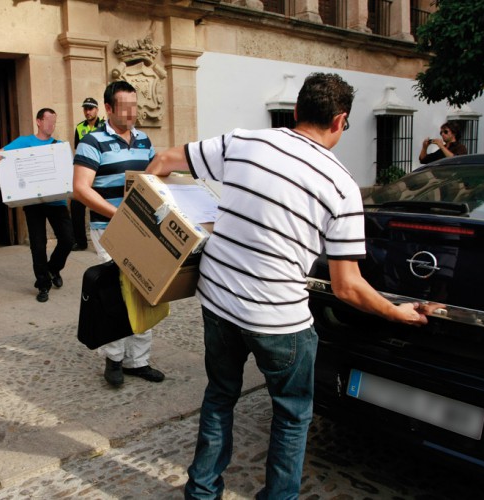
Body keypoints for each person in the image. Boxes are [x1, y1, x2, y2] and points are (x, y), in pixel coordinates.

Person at [146, 73, 432, 499]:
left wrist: (147, 227)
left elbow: (166, 161)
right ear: (339, 120)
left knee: (220, 395)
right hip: (278, 320)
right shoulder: (342, 187)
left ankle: (202, 493)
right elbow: (347, 287)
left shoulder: (245, 142)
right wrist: (396, 311)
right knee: (293, 414)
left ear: (296, 112)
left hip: (219, 303)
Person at [73, 80, 165, 387]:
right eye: (124, 107)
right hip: (109, 228)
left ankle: (138, 361)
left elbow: (153, 182)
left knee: (145, 289)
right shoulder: (92, 142)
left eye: (135, 106)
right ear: (109, 108)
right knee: (117, 291)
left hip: (143, 230)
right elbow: (81, 189)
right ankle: (114, 358)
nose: (131, 113)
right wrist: (121, 215)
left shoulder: (144, 139)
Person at [2, 108, 73, 303]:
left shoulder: (58, 146)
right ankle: (43, 284)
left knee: (67, 239)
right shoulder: (24, 142)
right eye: (48, 120)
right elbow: (2, 155)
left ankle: (53, 268)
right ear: (39, 122)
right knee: (38, 245)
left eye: (54, 121)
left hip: (56, 201)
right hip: (33, 203)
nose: (51, 125)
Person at [70, 97, 106, 251]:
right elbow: (78, 150)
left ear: (97, 110)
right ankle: (81, 241)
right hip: (86, 172)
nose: (88, 111)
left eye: (91, 109)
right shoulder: (79, 128)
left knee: (102, 206)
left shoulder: (105, 126)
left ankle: (107, 240)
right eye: (85, 109)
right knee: (76, 205)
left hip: (102, 172)